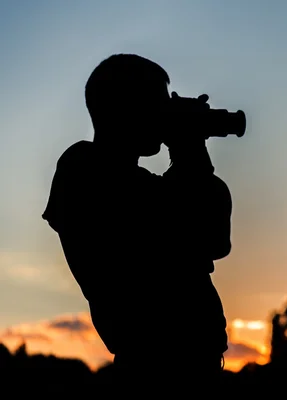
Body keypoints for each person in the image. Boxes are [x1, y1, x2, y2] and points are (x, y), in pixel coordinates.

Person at [42, 54, 232, 395]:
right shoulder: (82, 169)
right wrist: (188, 147)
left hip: (194, 370)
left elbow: (215, 234)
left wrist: (190, 147)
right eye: (157, 102)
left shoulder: (144, 183)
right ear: (125, 107)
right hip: (153, 375)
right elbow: (181, 228)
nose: (163, 112)